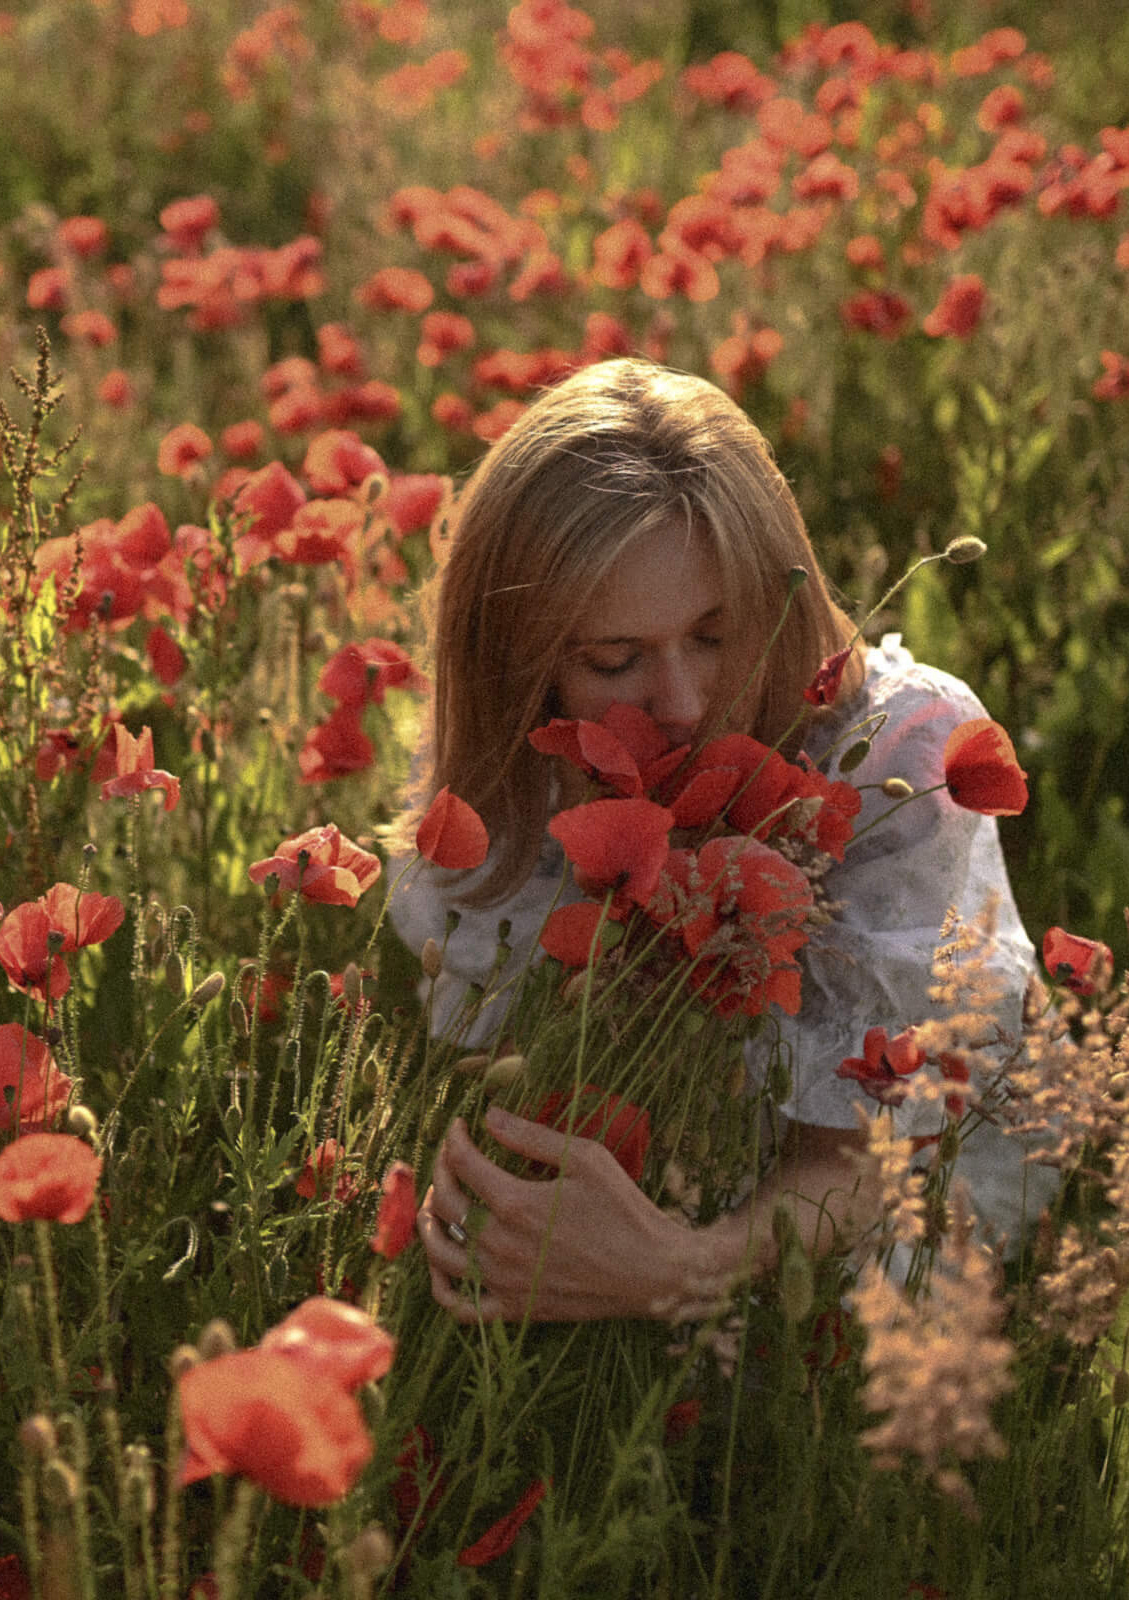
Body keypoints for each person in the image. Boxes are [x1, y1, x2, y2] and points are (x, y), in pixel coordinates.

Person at [387, 357, 1046, 1328]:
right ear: (523, 662)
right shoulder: (513, 774)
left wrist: (678, 1266)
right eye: (613, 659)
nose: (684, 702)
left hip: (900, 1177)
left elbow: (870, 1153)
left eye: (716, 633)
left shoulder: (891, 754)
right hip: (662, 1176)